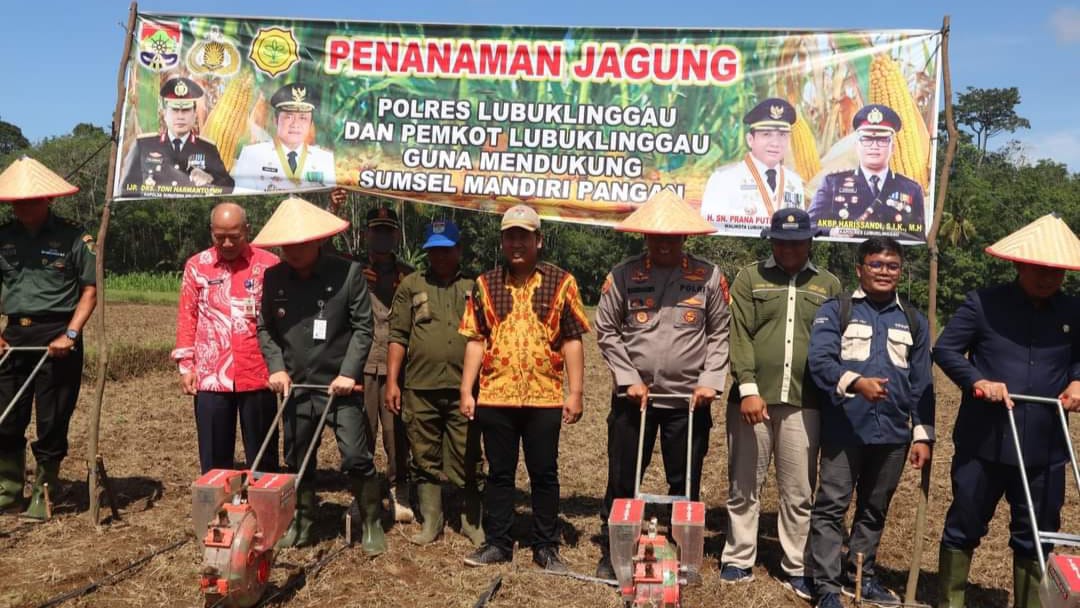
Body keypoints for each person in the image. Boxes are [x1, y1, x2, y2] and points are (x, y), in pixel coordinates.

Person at [932, 214, 1080, 608]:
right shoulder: (984, 303)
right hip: (986, 440)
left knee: (1039, 532)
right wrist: (978, 380)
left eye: (1057, 270)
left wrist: (1078, 381)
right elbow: (945, 349)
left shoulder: (1074, 312)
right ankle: (950, 600)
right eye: (1039, 268)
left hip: (1044, 445)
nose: (1048, 277)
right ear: (1019, 263)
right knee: (964, 523)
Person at [594, 189, 730, 581]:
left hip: (689, 401)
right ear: (646, 237)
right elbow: (606, 331)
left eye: (673, 236)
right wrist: (628, 379)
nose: (665, 243)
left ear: (685, 238)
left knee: (685, 478)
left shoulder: (707, 276)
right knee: (622, 477)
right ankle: (614, 548)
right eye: (657, 236)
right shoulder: (623, 275)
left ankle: (682, 553)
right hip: (634, 399)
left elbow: (719, 333)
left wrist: (710, 382)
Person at [459, 204, 589, 572]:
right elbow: (475, 339)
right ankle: (498, 542)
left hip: (544, 397)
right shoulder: (484, 284)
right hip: (495, 395)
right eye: (510, 235)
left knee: (544, 473)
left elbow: (573, 340)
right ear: (502, 241)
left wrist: (575, 392)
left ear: (538, 240)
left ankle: (545, 545)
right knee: (499, 473)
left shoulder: (562, 282)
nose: (517, 242)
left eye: (524, 235)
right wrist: (467, 390)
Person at [807, 236, 934, 608]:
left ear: (900, 271)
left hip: (893, 433)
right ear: (860, 269)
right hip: (846, 428)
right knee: (831, 506)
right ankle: (827, 588)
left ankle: (861, 575)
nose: (884, 272)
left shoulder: (914, 319)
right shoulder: (837, 310)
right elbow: (820, 362)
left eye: (892, 266)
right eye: (876, 264)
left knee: (874, 509)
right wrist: (856, 383)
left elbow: (922, 381)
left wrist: (923, 435)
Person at [720, 208, 841, 598]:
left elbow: (833, 341)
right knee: (744, 483)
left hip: (806, 401)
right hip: (753, 399)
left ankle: (796, 564)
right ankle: (738, 557)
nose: (790, 247)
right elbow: (738, 334)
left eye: (798, 240)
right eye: (782, 240)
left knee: (798, 490)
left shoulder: (828, 285)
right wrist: (748, 388)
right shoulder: (750, 277)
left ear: (810, 241)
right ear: (771, 239)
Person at [253, 196, 382, 554]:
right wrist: (276, 368)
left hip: (340, 386)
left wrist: (348, 373)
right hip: (296, 386)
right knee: (296, 458)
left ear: (318, 241)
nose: (292, 251)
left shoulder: (347, 274)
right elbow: (265, 328)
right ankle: (303, 521)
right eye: (286, 245)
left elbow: (362, 328)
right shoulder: (273, 277)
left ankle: (371, 521)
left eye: (301, 244)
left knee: (356, 456)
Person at [0, 157, 96, 521]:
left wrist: (70, 334)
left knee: (53, 419)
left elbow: (89, 290)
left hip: (58, 335)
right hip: (13, 335)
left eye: (31, 200)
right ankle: (8, 489)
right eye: (16, 201)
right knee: (6, 415)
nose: (23, 206)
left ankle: (45, 489)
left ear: (48, 200)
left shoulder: (74, 237)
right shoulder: (3, 237)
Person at [386, 219, 484, 546]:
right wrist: (392, 382)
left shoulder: (475, 286)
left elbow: (486, 336)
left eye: (446, 250)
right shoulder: (411, 285)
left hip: (464, 389)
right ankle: (432, 520)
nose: (439, 257)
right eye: (433, 251)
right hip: (420, 387)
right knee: (423, 456)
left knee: (467, 455)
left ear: (458, 250)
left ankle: (471, 521)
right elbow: (398, 336)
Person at [172, 202, 279, 474]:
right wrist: (186, 366)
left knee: (263, 454)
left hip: (258, 373)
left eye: (235, 236)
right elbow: (188, 316)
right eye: (220, 237)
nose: (228, 243)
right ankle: (216, 508)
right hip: (211, 376)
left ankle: (264, 511)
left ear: (247, 230)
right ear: (211, 233)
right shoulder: (197, 266)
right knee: (214, 456)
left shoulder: (269, 265)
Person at [361, 206, 415, 523]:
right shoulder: (353, 270)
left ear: (395, 234)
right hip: (364, 365)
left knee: (397, 435)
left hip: (398, 367)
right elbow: (321, 253)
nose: (381, 236)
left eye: (387, 230)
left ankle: (399, 488)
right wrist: (334, 209)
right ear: (368, 233)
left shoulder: (408, 275)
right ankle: (365, 490)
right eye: (376, 230)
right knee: (362, 433)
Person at [807, 104, 925, 242]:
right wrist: (832, 231)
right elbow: (809, 225)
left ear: (892, 148)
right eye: (867, 139)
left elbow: (919, 237)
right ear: (857, 146)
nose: (874, 146)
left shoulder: (911, 189)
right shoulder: (832, 183)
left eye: (881, 140)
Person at [699, 98, 805, 236]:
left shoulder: (795, 182)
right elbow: (710, 234)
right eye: (766, 134)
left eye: (782, 135)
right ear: (750, 139)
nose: (775, 143)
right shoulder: (724, 179)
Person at [120, 76, 234, 197]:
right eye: (174, 110)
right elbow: (127, 189)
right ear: (164, 114)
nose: (180, 116)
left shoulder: (208, 149)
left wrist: (210, 178)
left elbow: (228, 186)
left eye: (185, 110)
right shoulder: (143, 145)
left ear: (195, 115)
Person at [232, 82, 336, 193]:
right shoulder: (252, 155)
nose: (295, 124)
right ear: (275, 120)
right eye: (288, 116)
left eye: (303, 118)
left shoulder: (324, 159)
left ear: (310, 124)